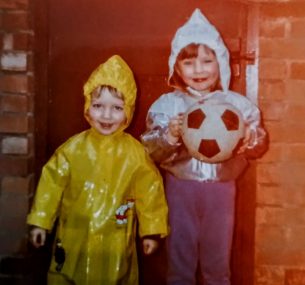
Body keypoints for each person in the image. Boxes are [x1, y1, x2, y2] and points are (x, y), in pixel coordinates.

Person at [140, 9, 267, 285]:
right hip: (180, 188)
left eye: (207, 61)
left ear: (220, 63)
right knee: (180, 255)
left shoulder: (236, 105)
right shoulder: (168, 104)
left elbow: (259, 143)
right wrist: (169, 136)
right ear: (176, 66)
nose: (199, 70)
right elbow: (149, 149)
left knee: (217, 258)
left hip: (222, 190)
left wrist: (249, 138)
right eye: (189, 63)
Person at [27, 55, 169, 285]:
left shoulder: (135, 154)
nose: (106, 115)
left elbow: (150, 192)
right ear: (87, 107)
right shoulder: (72, 150)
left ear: (128, 110)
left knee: (114, 277)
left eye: (116, 108)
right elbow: (50, 185)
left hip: (115, 243)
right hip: (74, 236)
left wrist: (151, 230)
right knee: (66, 275)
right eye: (98, 106)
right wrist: (40, 221)